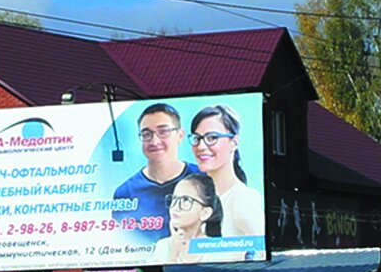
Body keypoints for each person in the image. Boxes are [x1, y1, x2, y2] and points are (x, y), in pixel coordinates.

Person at [111, 102, 198, 233]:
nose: (154, 141)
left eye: (163, 132)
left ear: (180, 135)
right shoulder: (125, 193)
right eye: (146, 134)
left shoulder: (203, 178)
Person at [189, 103, 266, 238]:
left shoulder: (242, 199)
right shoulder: (198, 199)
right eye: (197, 138)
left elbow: (259, 248)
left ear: (234, 142)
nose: (201, 146)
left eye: (212, 138)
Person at [155, 172, 222, 262]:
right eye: (174, 198)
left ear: (205, 213)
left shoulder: (217, 249)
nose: (175, 207)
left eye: (185, 200)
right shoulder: (163, 246)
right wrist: (173, 253)